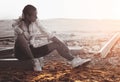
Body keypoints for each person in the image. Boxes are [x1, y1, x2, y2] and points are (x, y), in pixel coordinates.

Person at [12, 4, 91, 71]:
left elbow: (47, 32)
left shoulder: (36, 22)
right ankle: (34, 62)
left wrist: (61, 43)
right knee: (20, 38)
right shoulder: (17, 25)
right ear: (27, 16)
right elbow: (21, 40)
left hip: (32, 50)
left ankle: (74, 61)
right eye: (35, 15)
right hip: (21, 53)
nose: (37, 17)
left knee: (56, 44)